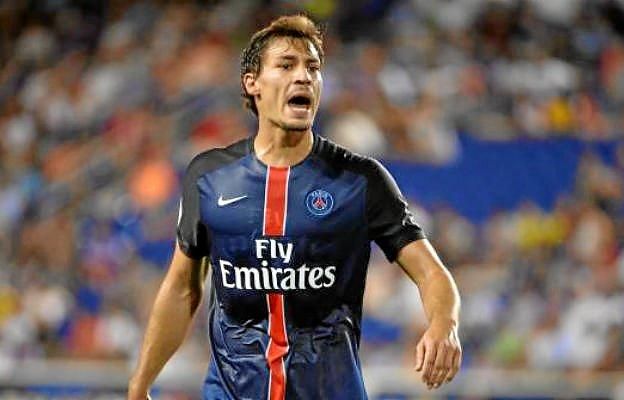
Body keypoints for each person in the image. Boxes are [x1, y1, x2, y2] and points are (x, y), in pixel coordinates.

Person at [128, 14, 461, 400]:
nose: (303, 76)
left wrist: (444, 324)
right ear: (252, 83)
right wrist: (140, 384)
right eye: (286, 65)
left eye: (313, 68)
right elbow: (182, 290)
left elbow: (432, 273)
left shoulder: (359, 180)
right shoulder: (209, 177)